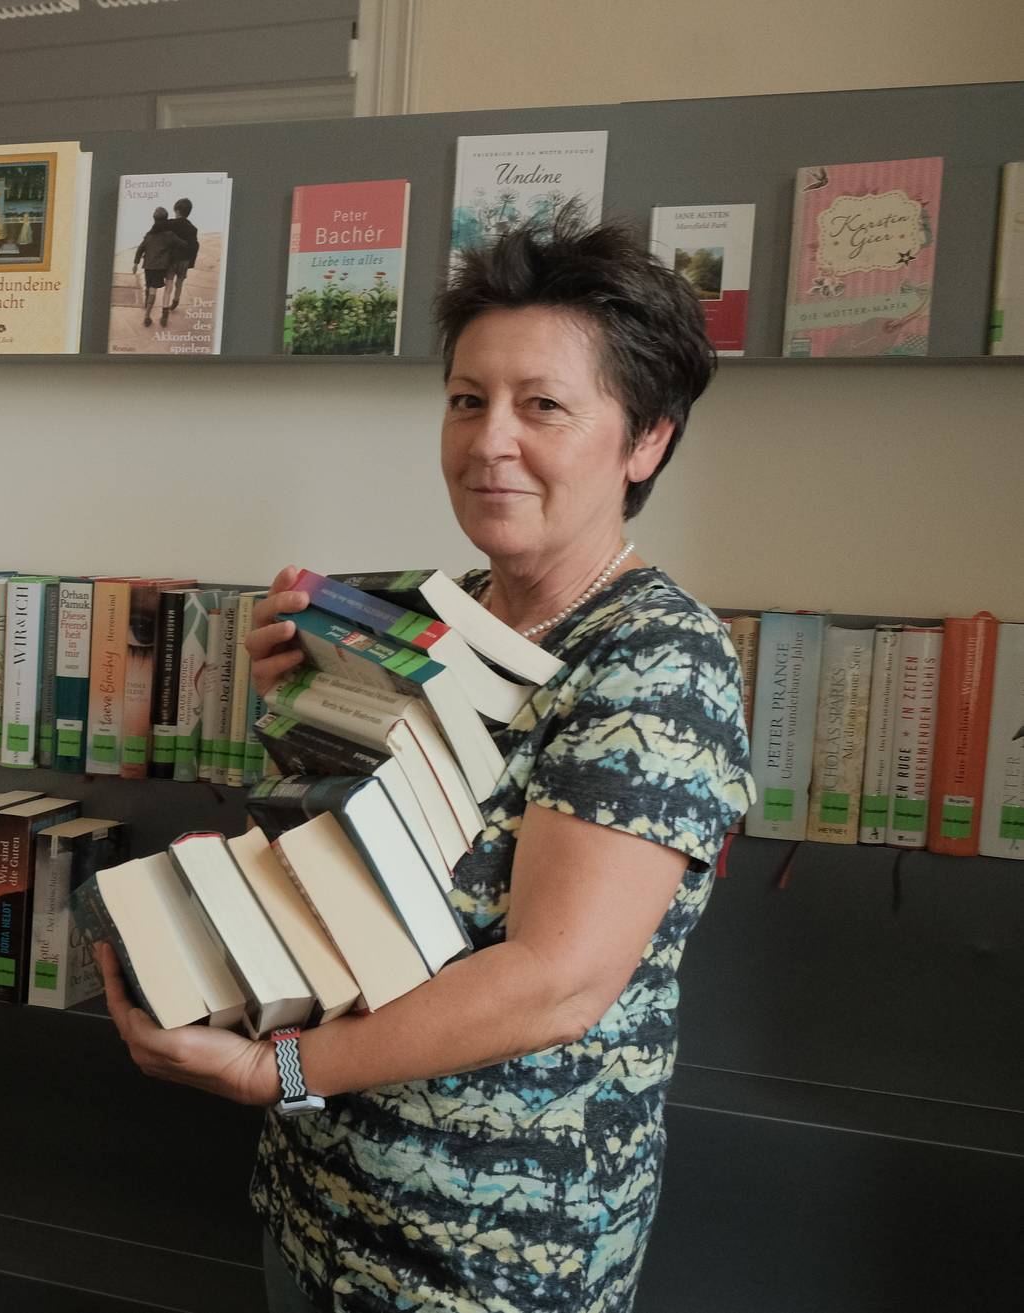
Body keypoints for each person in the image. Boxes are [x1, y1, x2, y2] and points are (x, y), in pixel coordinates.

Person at [97, 209, 752, 1313]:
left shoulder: (657, 659)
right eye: (466, 399)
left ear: (647, 439)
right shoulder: (425, 615)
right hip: (319, 1203)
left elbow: (555, 980)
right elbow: (367, 868)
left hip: (487, 1259)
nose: (489, 440)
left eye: (543, 405)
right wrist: (303, 706)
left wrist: (272, 1069)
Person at [133, 206, 183, 327]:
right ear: (166, 219)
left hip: (148, 266)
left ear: (154, 219)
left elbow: (140, 249)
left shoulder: (149, 235)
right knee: (153, 291)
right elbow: (182, 244)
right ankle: (147, 316)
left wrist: (135, 263)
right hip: (159, 267)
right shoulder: (169, 235)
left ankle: (147, 306)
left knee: (149, 287)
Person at [162, 196, 200, 322]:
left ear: (177, 211)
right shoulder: (193, 228)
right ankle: (176, 301)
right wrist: (190, 263)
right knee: (179, 283)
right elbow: (194, 247)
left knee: (168, 285)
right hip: (184, 261)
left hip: (172, 260)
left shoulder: (170, 224)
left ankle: (165, 310)